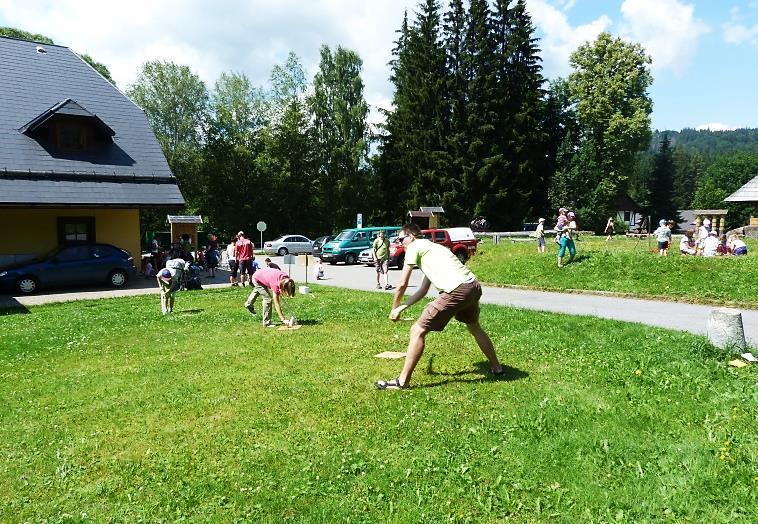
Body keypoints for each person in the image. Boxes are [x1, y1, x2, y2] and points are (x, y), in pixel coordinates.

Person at [375, 223, 503, 390]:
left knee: (417, 330)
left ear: (411, 236)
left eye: (401, 239)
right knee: (474, 327)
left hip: (456, 290)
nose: (400, 244)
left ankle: (402, 382)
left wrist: (394, 307)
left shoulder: (414, 246)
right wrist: (402, 307)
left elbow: (402, 283)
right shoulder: (432, 249)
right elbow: (423, 289)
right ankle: (497, 367)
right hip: (472, 287)